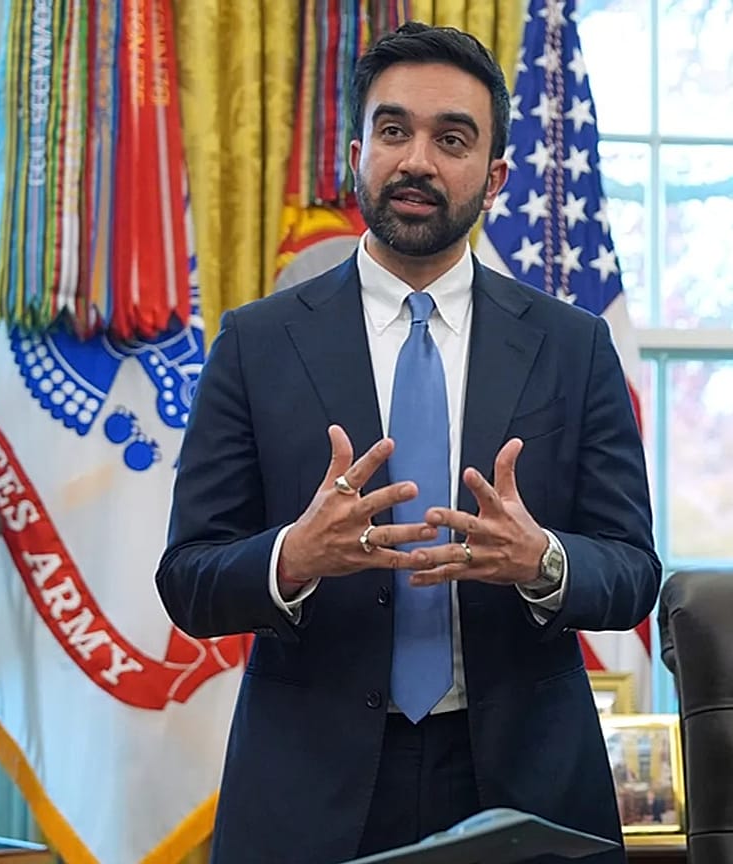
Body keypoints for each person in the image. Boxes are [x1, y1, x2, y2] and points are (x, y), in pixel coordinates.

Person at [156, 22, 659, 864]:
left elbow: (634, 572)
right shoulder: (257, 343)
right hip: (307, 785)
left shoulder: (574, 348)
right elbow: (188, 579)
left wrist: (543, 561)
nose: (417, 160)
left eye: (451, 139)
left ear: (495, 176)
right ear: (359, 151)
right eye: (394, 131)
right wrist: (292, 556)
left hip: (525, 780)